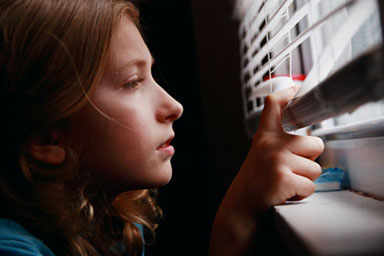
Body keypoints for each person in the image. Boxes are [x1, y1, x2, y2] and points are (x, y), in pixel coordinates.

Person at [0, 0, 324, 255]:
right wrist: (235, 215)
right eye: (132, 82)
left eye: (151, 75)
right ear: (47, 138)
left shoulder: (114, 229)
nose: (174, 107)